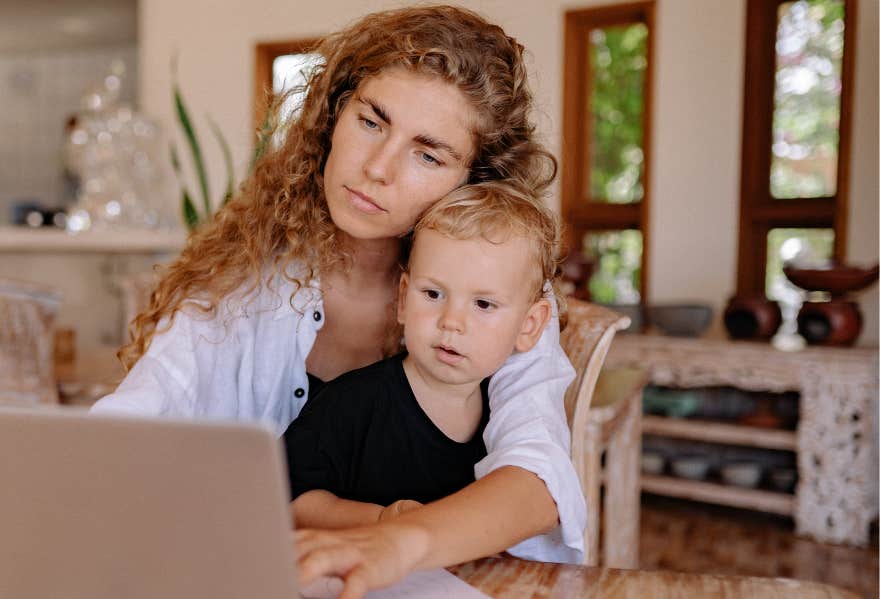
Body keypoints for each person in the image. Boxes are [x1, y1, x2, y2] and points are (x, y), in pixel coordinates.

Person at [91, 4, 584, 592]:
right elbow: (137, 415)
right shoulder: (237, 279)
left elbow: (538, 475)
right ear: (333, 116)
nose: (377, 167)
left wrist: (399, 539)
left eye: (428, 154)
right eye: (372, 122)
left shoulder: (493, 301)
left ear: (474, 181)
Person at [283, 183, 559, 532]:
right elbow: (288, 500)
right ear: (403, 299)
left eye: (483, 304)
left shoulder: (506, 421)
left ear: (529, 325)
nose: (451, 322)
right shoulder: (351, 404)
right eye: (432, 293)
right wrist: (381, 520)